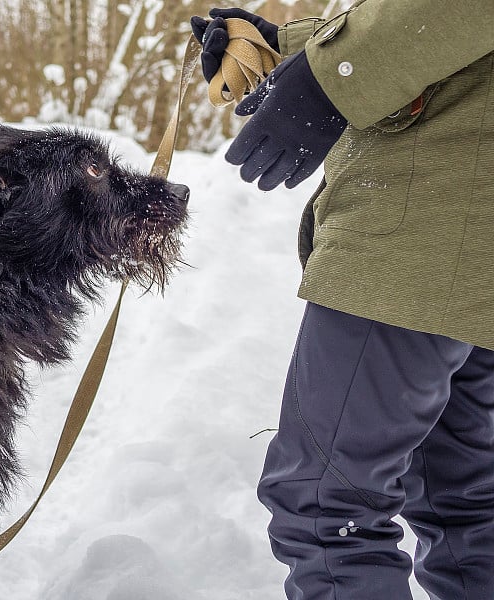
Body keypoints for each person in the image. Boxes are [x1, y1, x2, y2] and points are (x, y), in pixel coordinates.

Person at [191, 2, 494, 598]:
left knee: (327, 508)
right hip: (467, 222)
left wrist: (334, 74)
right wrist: (294, 45)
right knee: (465, 503)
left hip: (427, 219)